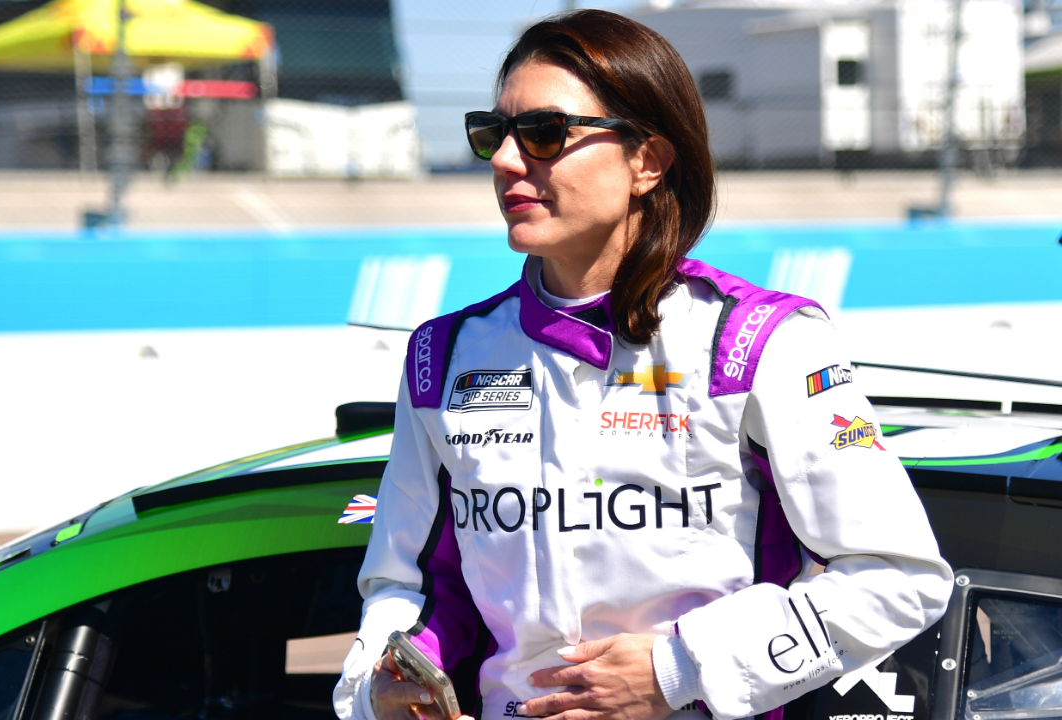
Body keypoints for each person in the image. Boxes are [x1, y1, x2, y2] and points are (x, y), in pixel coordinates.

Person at [333, 10, 953, 720]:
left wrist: (677, 668)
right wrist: (384, 685)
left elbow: (898, 579)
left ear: (647, 161)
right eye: (492, 134)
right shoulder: (441, 359)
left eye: (542, 134)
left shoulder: (761, 343)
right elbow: (405, 588)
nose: (505, 161)